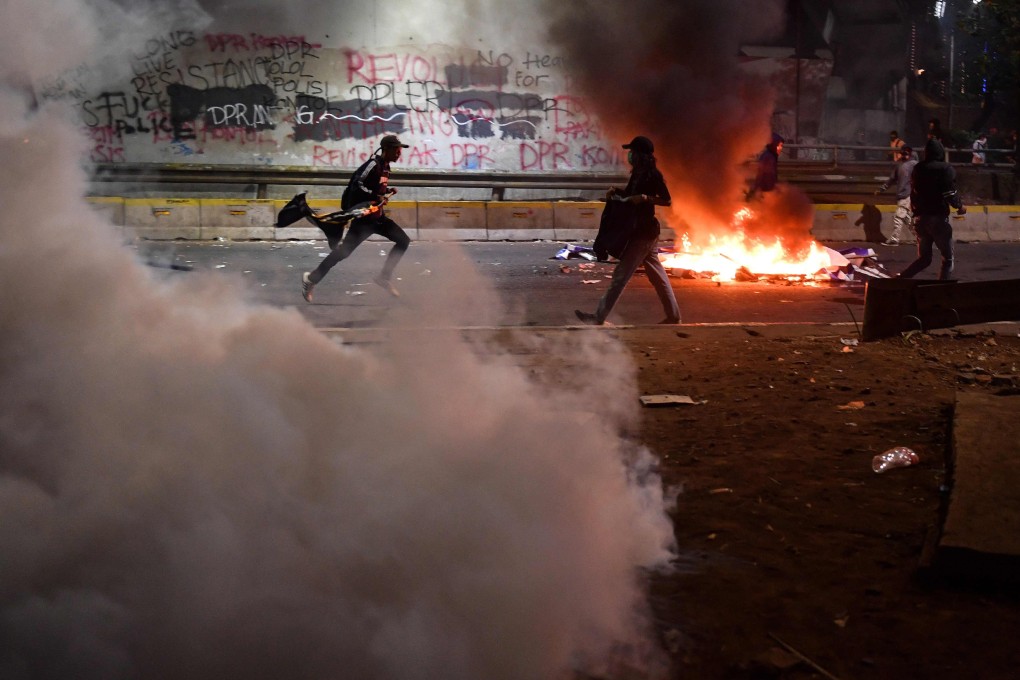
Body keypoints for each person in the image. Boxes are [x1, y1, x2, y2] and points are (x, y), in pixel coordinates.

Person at [574, 135, 680, 325]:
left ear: (641, 155)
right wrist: (616, 192)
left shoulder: (653, 175)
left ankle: (598, 318)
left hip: (643, 234)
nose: (630, 155)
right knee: (659, 278)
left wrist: (645, 198)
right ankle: (674, 317)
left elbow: (667, 200)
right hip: (642, 232)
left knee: (620, 277)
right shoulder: (637, 174)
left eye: (633, 152)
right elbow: (630, 195)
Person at [301, 134, 411, 301]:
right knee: (342, 253)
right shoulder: (373, 164)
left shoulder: (386, 167)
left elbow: (375, 188)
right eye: (396, 149)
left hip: (378, 218)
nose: (399, 153)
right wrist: (376, 195)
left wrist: (387, 191)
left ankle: (384, 277)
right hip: (363, 221)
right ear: (386, 149)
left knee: (403, 240)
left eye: (400, 150)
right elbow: (357, 185)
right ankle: (310, 279)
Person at [898, 138, 966, 280]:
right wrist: (959, 206)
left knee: (924, 259)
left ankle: (900, 280)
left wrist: (915, 212)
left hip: (921, 219)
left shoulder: (918, 168)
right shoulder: (945, 169)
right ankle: (941, 291)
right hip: (938, 219)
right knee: (947, 259)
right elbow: (949, 192)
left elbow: (914, 192)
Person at [875, 145, 918, 245]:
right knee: (907, 219)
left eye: (906, 153)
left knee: (898, 216)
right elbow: (891, 180)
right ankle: (921, 238)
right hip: (902, 195)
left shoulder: (914, 164)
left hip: (907, 195)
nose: (904, 155)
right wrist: (882, 189)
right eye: (903, 153)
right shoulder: (899, 165)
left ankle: (894, 239)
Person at [747, 132, 784, 199]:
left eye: (781, 146)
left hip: (764, 191)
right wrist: (772, 190)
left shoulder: (770, 156)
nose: (780, 148)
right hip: (765, 192)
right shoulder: (769, 157)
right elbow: (767, 176)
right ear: (774, 145)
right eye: (779, 145)